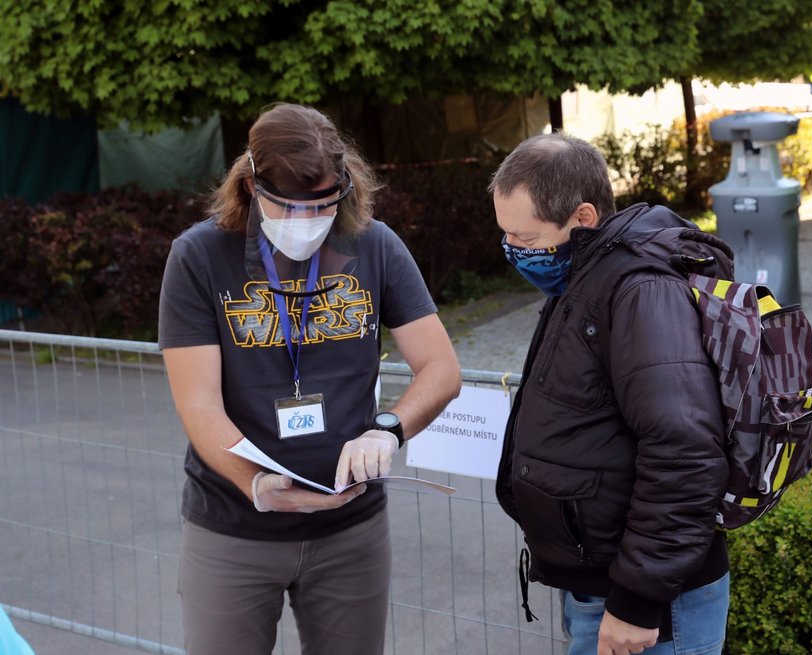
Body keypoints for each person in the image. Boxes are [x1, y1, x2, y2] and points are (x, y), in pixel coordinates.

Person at [159, 103, 461, 655]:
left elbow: (441, 370)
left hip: (351, 531)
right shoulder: (199, 256)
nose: (309, 221)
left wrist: (387, 430)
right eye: (291, 206)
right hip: (233, 530)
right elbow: (198, 403)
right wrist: (254, 483)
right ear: (252, 186)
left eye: (325, 203)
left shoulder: (374, 245)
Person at [490, 133, 731, 655]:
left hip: (651, 604)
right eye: (505, 235)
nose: (513, 251)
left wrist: (638, 599)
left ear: (583, 218)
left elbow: (684, 448)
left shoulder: (639, 288)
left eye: (526, 239)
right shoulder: (584, 276)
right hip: (603, 583)